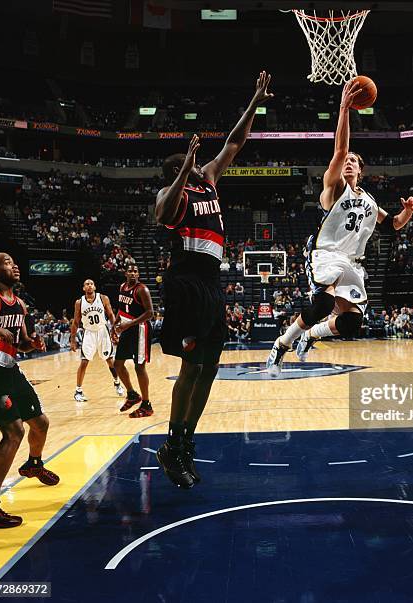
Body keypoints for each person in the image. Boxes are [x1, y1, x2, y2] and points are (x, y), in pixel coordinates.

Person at [155, 71, 273, 488]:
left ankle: (185, 445)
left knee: (210, 367)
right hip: (185, 281)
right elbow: (164, 214)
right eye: (189, 166)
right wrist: (183, 168)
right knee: (190, 365)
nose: (198, 168)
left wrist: (255, 98)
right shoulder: (172, 193)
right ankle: (170, 442)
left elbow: (234, 143)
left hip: (210, 284)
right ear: (179, 172)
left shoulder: (207, 180)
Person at [266, 79, 413, 376]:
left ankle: (311, 335)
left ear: (361, 170)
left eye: (353, 161)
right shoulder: (334, 188)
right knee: (322, 303)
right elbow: (339, 150)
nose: (348, 162)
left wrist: (408, 211)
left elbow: (394, 226)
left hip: (351, 262)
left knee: (351, 323)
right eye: (346, 160)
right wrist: (344, 108)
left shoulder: (370, 202)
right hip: (326, 254)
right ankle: (283, 342)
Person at [0, 253, 59, 528]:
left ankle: (33, 463)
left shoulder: (19, 304)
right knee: (14, 432)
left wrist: (33, 344)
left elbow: (22, 343)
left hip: (11, 369)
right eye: (7, 262)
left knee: (40, 423)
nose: (14, 265)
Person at [70, 278, 124, 402]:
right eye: (86, 284)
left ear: (94, 287)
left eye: (91, 284)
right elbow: (76, 321)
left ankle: (117, 383)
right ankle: (78, 391)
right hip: (88, 333)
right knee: (84, 362)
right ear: (83, 288)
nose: (89, 286)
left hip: (103, 331)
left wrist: (114, 330)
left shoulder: (103, 298)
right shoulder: (79, 302)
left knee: (110, 361)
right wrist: (73, 340)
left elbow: (110, 315)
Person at [112, 264, 154, 418]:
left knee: (139, 367)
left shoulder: (142, 289)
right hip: (126, 328)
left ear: (138, 274)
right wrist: (114, 324)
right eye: (130, 271)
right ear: (125, 273)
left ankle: (147, 404)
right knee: (118, 364)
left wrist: (128, 324)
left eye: (136, 271)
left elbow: (150, 313)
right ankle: (132, 394)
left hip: (140, 330)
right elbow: (122, 309)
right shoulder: (122, 287)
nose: (133, 273)